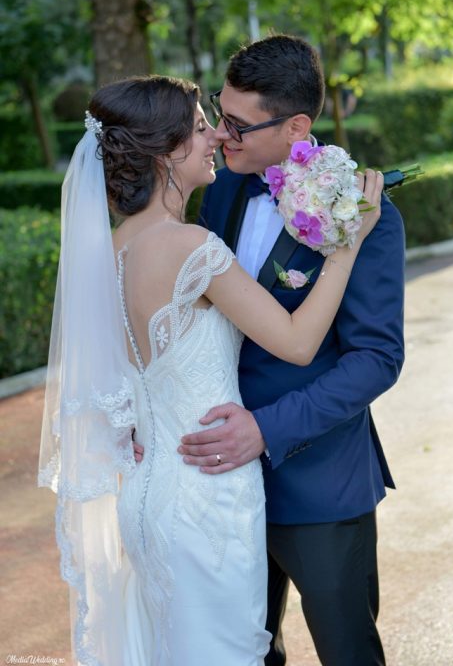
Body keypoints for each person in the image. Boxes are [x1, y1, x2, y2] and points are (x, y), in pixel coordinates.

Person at [38, 73, 383, 666]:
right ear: (166, 152)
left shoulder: (113, 249)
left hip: (147, 494)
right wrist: (348, 244)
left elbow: (118, 378)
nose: (216, 137)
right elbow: (299, 342)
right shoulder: (189, 246)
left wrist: (133, 432)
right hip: (206, 496)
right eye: (200, 128)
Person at [177, 35, 405, 665]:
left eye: (238, 124)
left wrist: (266, 430)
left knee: (346, 649)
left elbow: (376, 359)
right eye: (220, 114)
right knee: (245, 649)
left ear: (297, 126)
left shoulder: (364, 212)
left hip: (319, 480)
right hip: (218, 476)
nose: (221, 135)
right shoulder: (224, 187)